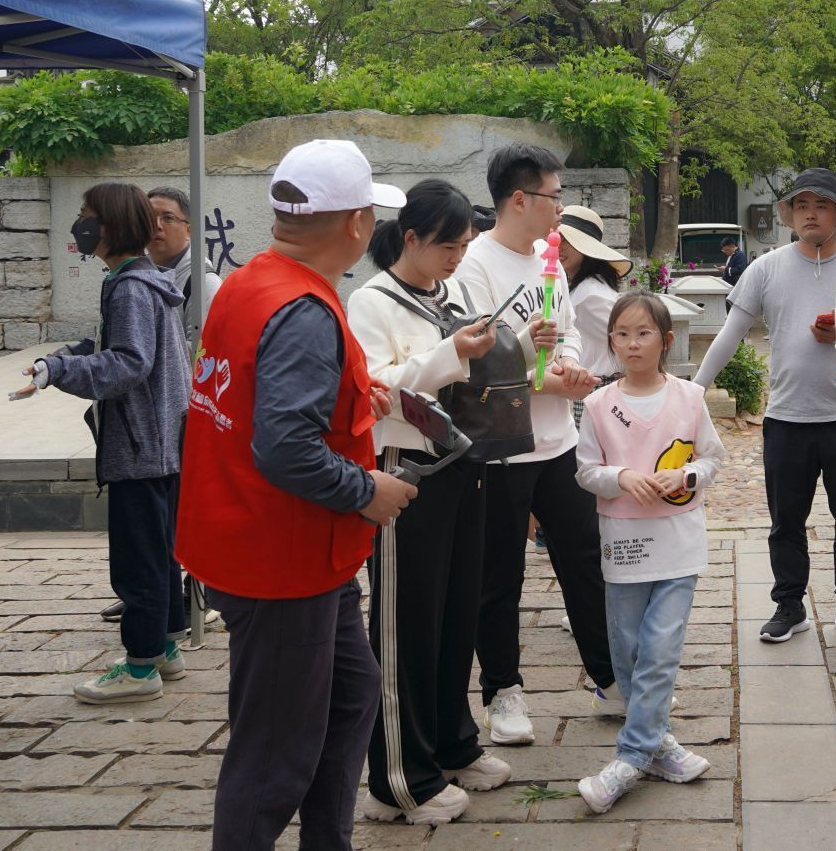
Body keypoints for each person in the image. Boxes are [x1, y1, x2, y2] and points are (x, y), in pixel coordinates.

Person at [175, 139, 418, 851]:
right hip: (282, 558)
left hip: (269, 546)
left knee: (350, 696)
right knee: (274, 755)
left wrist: (348, 390)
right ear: (354, 223)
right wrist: (366, 488)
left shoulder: (252, 280)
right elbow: (284, 447)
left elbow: (252, 395)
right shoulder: (305, 311)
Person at [349, 180, 511, 826]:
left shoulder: (454, 293)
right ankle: (398, 778)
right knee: (404, 623)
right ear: (409, 237)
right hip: (402, 472)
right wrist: (450, 355)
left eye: (465, 244)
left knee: (454, 616)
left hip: (460, 467)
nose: (456, 256)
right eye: (447, 244)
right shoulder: (370, 300)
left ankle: (451, 743)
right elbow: (374, 384)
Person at [454, 144, 618, 745]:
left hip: (558, 442)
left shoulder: (547, 259)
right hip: (501, 448)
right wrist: (549, 371)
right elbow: (478, 364)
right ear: (519, 199)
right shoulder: (474, 265)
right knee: (499, 575)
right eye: (554, 195)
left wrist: (569, 368)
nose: (561, 209)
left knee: (585, 561)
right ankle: (502, 691)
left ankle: (608, 677)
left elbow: (567, 329)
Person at [18, 184, 191, 704]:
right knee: (159, 555)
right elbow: (115, 343)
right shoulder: (140, 281)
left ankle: (140, 670)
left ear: (111, 225)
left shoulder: (131, 288)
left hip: (140, 448)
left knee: (138, 562)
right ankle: (163, 648)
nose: (80, 225)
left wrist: (60, 369)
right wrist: (67, 356)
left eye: (87, 216)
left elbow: (129, 362)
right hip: (159, 444)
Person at [693, 168, 836, 646]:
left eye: (821, 206)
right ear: (790, 215)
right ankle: (789, 604)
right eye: (801, 206)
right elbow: (729, 336)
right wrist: (692, 392)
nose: (810, 214)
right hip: (787, 418)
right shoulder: (766, 267)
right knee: (785, 521)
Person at [573, 291, 723, 813]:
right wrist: (623, 476)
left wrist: (684, 474)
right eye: (621, 334)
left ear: (665, 339)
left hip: (679, 544)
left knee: (660, 649)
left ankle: (629, 759)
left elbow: (710, 459)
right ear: (609, 340)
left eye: (643, 334)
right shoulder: (597, 404)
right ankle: (660, 746)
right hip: (625, 545)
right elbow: (586, 470)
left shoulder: (689, 397)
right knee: (628, 651)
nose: (632, 344)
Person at [98, 185, 221, 628]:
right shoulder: (147, 277)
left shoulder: (200, 283)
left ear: (189, 226)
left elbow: (209, 357)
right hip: (161, 421)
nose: (156, 226)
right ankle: (161, 608)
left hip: (178, 420)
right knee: (158, 533)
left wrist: (63, 369)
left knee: (167, 530)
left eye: (167, 217)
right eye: (150, 217)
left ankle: (180, 605)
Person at [559, 203, 632, 389]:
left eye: (566, 241)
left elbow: (626, 340)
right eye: (556, 240)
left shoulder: (590, 294)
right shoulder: (585, 286)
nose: (559, 248)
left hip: (599, 385)